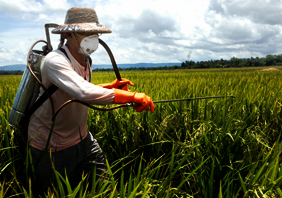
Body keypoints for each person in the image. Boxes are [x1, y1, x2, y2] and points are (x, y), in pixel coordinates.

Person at [28, 7, 154, 196]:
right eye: (86, 32)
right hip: (49, 146)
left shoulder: (86, 60)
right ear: (69, 35)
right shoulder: (54, 61)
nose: (92, 37)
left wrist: (110, 87)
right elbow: (83, 92)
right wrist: (133, 96)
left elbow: (77, 88)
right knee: (52, 193)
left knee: (105, 187)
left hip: (82, 138)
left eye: (94, 32)